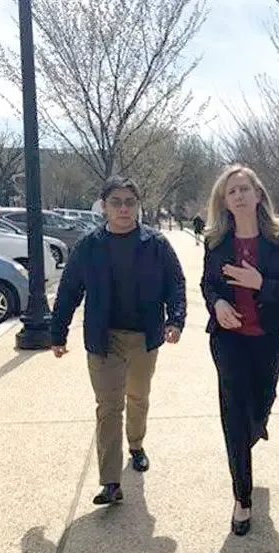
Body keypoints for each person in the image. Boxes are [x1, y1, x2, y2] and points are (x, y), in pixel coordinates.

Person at [51, 175, 187, 506]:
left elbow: (176, 283)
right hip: (104, 338)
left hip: (144, 337)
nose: (124, 208)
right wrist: (58, 332)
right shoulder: (89, 245)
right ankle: (111, 482)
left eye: (129, 202)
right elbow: (70, 290)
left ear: (137, 206)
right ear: (104, 207)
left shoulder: (155, 244)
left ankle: (136, 444)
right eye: (117, 202)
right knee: (109, 406)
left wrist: (176, 320)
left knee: (138, 396)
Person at [200, 164, 279, 536]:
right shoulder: (217, 242)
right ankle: (242, 498)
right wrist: (218, 305)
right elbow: (208, 284)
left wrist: (262, 283)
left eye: (245, 188)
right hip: (228, 340)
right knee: (233, 414)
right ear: (225, 202)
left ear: (258, 194)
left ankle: (255, 425)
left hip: (270, 336)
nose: (239, 195)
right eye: (232, 191)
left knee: (260, 405)